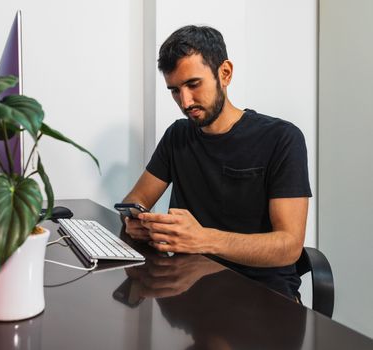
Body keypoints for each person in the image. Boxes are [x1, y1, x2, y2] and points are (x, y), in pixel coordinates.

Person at [121, 25, 312, 291]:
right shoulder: (178, 135)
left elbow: (289, 246)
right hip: (188, 288)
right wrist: (134, 221)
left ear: (225, 74)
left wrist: (202, 239)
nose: (185, 102)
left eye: (193, 84)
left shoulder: (282, 138)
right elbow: (136, 200)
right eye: (175, 90)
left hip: (261, 292)